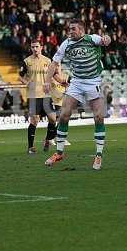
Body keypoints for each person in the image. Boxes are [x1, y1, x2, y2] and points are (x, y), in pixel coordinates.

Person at [43, 19, 111, 170]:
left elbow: (106, 40)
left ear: (81, 30)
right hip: (77, 82)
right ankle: (59, 153)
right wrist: (47, 81)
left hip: (93, 81)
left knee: (99, 117)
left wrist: (107, 39)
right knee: (64, 115)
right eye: (69, 29)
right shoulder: (66, 44)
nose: (70, 31)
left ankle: (98, 155)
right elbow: (54, 64)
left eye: (73, 29)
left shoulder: (91, 39)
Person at [19, 39, 57, 154]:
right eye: (32, 47)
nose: (34, 49)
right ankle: (30, 147)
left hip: (46, 95)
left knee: (53, 119)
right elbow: (20, 76)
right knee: (35, 120)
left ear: (41, 47)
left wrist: (61, 83)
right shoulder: (27, 61)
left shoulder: (47, 60)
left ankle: (48, 139)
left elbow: (53, 75)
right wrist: (25, 83)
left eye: (36, 46)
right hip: (33, 95)